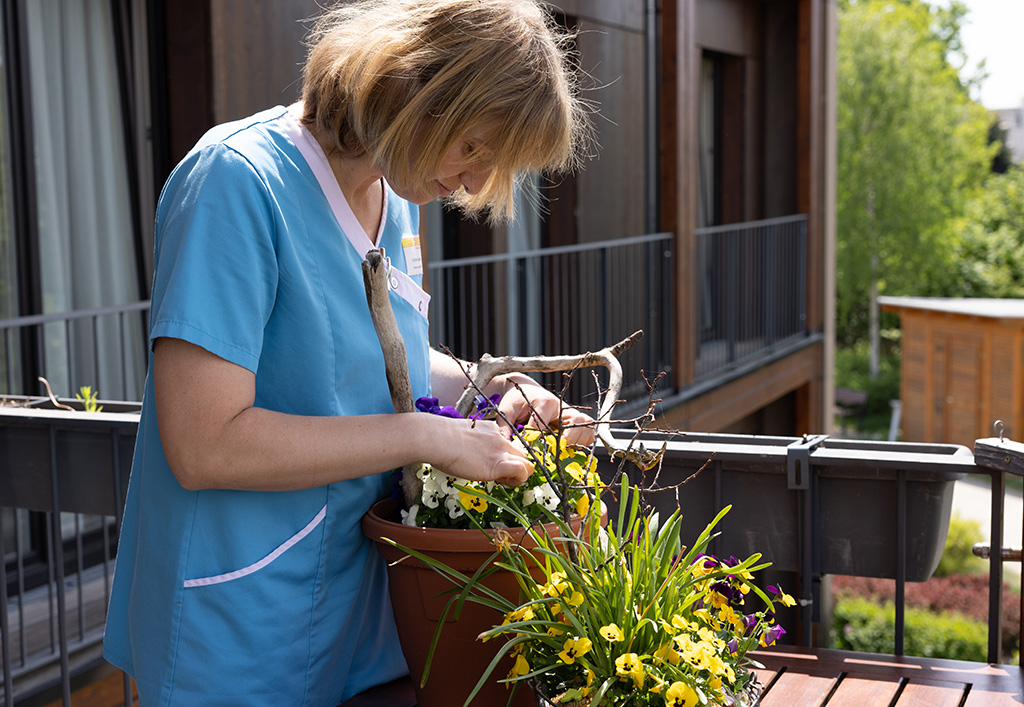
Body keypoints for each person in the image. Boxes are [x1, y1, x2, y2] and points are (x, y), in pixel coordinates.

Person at [102, 0, 594, 704]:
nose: (476, 184)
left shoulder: (394, 202)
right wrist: (426, 434)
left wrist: (490, 397)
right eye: (474, 148)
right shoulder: (237, 182)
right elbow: (202, 442)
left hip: (355, 617)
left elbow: (373, 366)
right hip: (236, 626)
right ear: (418, 87)